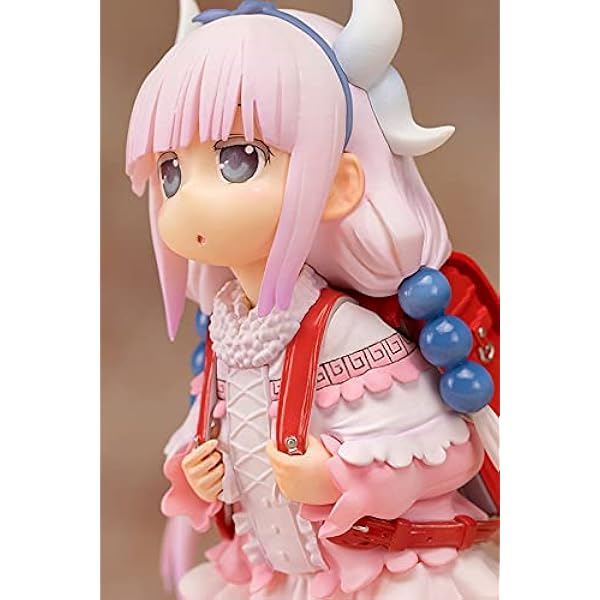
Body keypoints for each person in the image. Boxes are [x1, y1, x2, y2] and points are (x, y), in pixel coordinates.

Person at [125, 1, 500, 598]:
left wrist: (341, 475)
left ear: (338, 184)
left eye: (237, 160)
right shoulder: (228, 330)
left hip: (375, 577)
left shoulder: (346, 332)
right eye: (171, 171)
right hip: (278, 575)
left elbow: (450, 452)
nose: (187, 198)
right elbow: (214, 437)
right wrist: (200, 474)